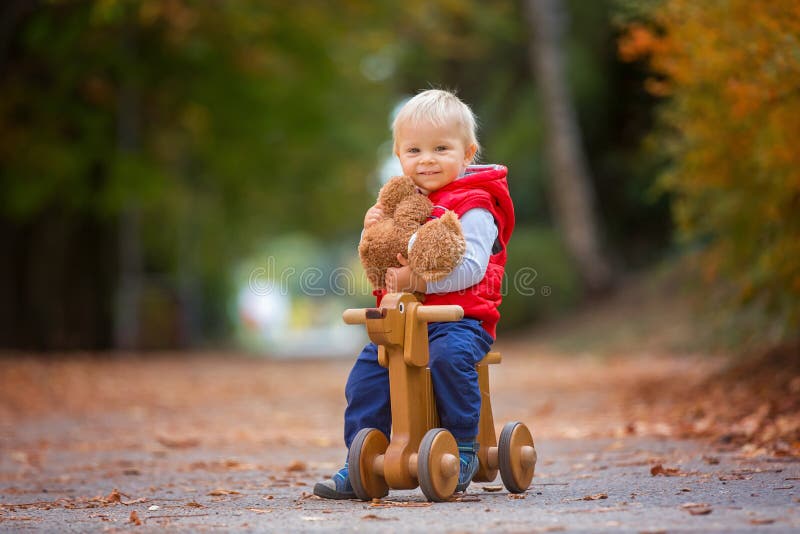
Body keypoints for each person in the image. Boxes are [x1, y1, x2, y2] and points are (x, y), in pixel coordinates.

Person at [314, 89, 515, 499]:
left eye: (441, 148)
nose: (427, 159)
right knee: (366, 376)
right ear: (399, 155)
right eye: (414, 150)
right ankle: (362, 458)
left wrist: (419, 283)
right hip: (405, 322)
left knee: (448, 359)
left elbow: (472, 268)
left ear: (468, 152)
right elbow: (383, 259)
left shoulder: (476, 205)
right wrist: (370, 229)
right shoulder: (403, 203)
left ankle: (461, 447)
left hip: (463, 320)